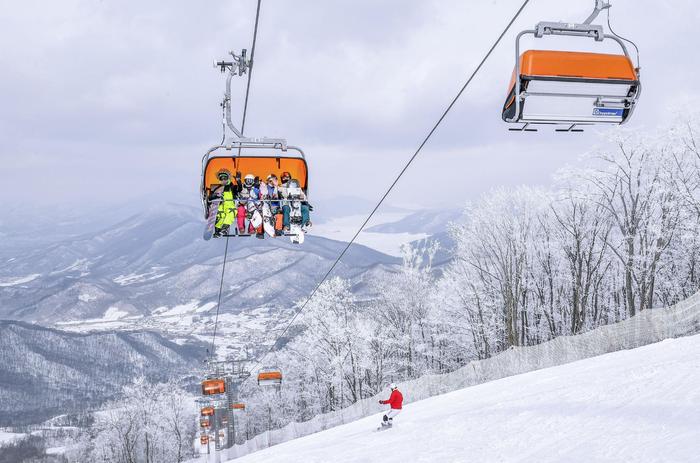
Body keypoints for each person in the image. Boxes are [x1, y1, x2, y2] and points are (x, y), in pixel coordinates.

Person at [213, 169, 239, 238]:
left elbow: (239, 190)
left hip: (230, 204)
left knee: (232, 212)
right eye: (222, 179)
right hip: (222, 205)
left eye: (225, 178)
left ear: (228, 179)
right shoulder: (218, 188)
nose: (223, 180)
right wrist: (215, 196)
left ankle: (224, 228)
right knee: (221, 215)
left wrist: (239, 181)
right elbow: (212, 196)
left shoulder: (232, 186)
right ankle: (217, 230)